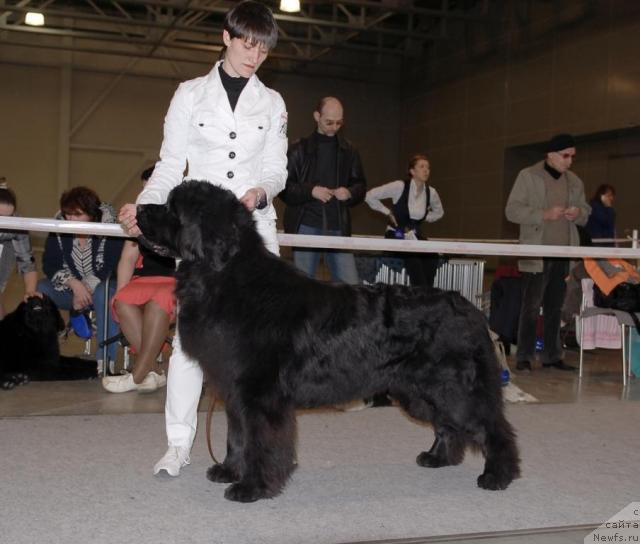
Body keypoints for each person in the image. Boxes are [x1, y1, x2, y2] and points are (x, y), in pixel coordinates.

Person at [118, 0, 287, 477]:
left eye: (264, 49)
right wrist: (146, 209)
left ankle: (258, 447)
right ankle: (177, 445)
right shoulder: (189, 94)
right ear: (226, 37)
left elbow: (277, 168)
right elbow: (171, 164)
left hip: (254, 237)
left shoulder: (272, 103)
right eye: (248, 44)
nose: (255, 55)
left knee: (258, 350)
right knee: (192, 345)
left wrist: (261, 189)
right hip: (201, 241)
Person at [505, 133, 590, 372]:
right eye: (565, 155)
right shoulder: (528, 176)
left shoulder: (574, 181)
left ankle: (553, 356)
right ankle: (524, 356)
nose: (569, 161)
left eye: (572, 156)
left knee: (556, 306)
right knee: (531, 306)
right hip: (536, 252)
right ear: (551, 155)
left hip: (563, 253)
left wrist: (578, 213)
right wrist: (543, 214)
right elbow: (512, 211)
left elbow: (586, 212)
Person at [102, 166, 174, 394]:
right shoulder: (139, 216)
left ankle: (137, 375)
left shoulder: (180, 215)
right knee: (122, 300)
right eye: (144, 189)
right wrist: (120, 289)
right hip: (145, 279)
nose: (147, 194)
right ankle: (152, 371)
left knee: (159, 302)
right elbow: (127, 259)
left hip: (177, 280)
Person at [280, 96, 366, 285]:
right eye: (329, 122)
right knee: (303, 287)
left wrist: (350, 193)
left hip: (338, 227)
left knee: (350, 287)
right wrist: (310, 191)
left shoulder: (349, 151)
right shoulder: (298, 149)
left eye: (339, 123)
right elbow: (283, 188)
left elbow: (361, 186)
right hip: (305, 226)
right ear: (316, 116)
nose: (334, 127)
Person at [38, 186, 124, 373]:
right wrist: (75, 285)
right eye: (68, 214)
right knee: (41, 289)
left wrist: (85, 288)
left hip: (103, 288)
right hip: (73, 290)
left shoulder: (111, 226)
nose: (71, 219)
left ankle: (105, 360)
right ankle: (44, 353)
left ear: (92, 214)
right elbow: (49, 264)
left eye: (77, 214)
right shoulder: (59, 226)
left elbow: (111, 265)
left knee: (104, 291)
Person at [365, 154, 444, 286]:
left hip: (414, 236)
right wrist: (387, 212)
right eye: (422, 166)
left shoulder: (431, 192)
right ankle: (421, 294)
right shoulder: (399, 186)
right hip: (396, 234)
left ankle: (426, 293)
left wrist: (424, 216)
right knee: (413, 256)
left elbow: (439, 213)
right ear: (412, 171)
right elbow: (369, 196)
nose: (426, 170)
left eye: (428, 168)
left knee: (432, 256)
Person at [0, 181, 39, 319]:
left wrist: (30, 291)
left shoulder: (17, 223)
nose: (4, 222)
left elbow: (27, 262)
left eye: (8, 217)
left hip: (4, 251)